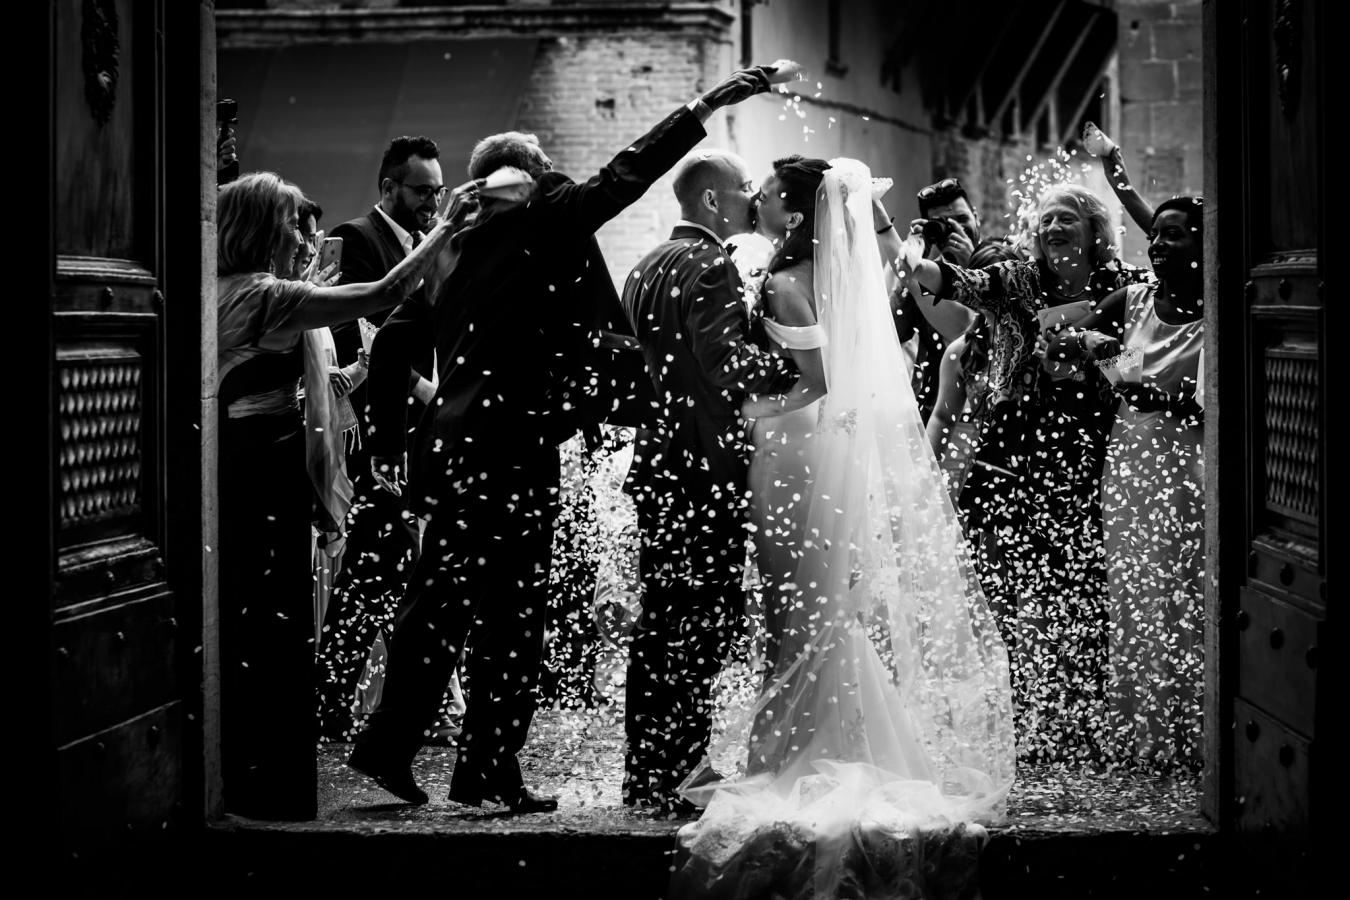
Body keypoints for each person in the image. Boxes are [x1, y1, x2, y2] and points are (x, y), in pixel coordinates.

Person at [347, 65, 779, 814]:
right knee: (513, 614)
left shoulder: (453, 243)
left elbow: (390, 345)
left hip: (451, 448)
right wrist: (707, 103)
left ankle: (387, 745)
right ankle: (486, 770)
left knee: (436, 601)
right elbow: (626, 174)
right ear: (535, 178)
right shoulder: (543, 210)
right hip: (513, 447)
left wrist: (393, 434)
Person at [670, 158, 1014, 899]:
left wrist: (746, 412)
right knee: (808, 603)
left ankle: (807, 747)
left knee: (798, 605)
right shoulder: (806, 275)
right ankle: (806, 736)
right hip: (804, 447)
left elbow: (815, 381)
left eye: (766, 191)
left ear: (795, 215)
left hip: (794, 444)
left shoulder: (792, 284)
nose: (756, 197)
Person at [215, 171, 462, 820]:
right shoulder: (265, 297)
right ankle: (271, 792)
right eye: (296, 224)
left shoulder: (229, 290)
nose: (308, 236)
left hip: (247, 469)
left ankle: (253, 781)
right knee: (276, 632)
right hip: (263, 473)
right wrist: (446, 228)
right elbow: (387, 289)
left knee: (256, 632)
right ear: (266, 228)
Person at [906, 182, 1153, 764]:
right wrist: (916, 259)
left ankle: (1082, 719)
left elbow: (1135, 373)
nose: (1051, 229)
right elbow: (960, 283)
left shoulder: (1121, 285)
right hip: (1014, 449)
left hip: (1088, 449)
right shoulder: (1018, 280)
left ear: (1095, 231)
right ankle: (1025, 719)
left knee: (1082, 589)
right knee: (1013, 594)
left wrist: (1096, 353)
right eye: (1044, 221)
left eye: (1066, 219)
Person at [620, 149, 799, 813]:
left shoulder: (644, 266)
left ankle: (647, 770)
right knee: (703, 621)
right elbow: (726, 364)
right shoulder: (709, 264)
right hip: (701, 473)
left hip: (659, 467)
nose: (753, 197)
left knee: (660, 621)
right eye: (744, 188)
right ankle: (684, 770)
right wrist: (795, 366)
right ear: (714, 203)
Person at [1045, 197, 1206, 771]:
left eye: (1175, 235)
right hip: (1132, 463)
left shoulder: (1219, 315)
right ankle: (1149, 735)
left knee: (1186, 590)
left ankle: (1197, 735)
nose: (1159, 245)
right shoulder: (1132, 299)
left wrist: (1130, 373)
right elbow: (1057, 344)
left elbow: (1194, 400)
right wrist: (1092, 351)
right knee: (1137, 594)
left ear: (1204, 245)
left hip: (1189, 467)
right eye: (1155, 236)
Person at [317, 137, 446, 742]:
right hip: (378, 441)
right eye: (422, 191)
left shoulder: (430, 244)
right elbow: (356, 342)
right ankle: (331, 699)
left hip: (421, 439)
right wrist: (428, 397)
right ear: (387, 188)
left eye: (437, 191)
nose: (431, 202)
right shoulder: (354, 240)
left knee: (405, 574)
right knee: (374, 569)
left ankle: (397, 708)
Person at [925, 240, 1020, 501]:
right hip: (982, 469)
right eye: (984, 288)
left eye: (1001, 287)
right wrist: (924, 478)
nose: (993, 296)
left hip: (1032, 465)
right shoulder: (962, 351)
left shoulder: (1037, 339)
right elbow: (943, 418)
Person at [891, 177, 982, 422]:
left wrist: (973, 266)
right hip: (932, 411)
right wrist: (915, 258)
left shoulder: (1002, 263)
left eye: (962, 219)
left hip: (989, 411)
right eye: (942, 224)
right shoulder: (922, 276)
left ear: (977, 216)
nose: (955, 230)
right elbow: (893, 331)